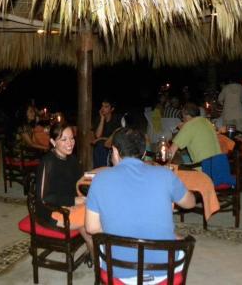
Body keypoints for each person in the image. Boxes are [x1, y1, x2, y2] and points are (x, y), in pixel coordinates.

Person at [85, 128, 195, 284]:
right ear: (144, 153)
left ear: (115, 151)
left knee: (103, 245)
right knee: (180, 241)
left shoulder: (100, 179)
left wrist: (119, 227)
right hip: (164, 273)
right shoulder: (165, 175)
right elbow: (190, 203)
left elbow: (91, 228)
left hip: (117, 272)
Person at [35, 123, 93, 254]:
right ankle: (102, 269)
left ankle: (99, 265)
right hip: (50, 212)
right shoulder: (47, 162)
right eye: (64, 139)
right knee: (93, 224)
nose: (70, 143)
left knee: (94, 224)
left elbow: (78, 183)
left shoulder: (71, 159)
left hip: (68, 206)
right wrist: (72, 201)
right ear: (53, 142)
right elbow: (43, 198)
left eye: (72, 138)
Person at [168, 103, 235, 187]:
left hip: (204, 170)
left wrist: (162, 168)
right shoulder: (207, 121)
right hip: (219, 167)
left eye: (182, 117)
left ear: (185, 115)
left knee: (175, 167)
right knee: (184, 157)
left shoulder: (188, 126)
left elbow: (171, 152)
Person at [92, 99, 121, 168]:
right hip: (101, 146)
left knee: (100, 145)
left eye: (106, 106)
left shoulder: (116, 120)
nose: (102, 109)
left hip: (113, 145)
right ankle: (100, 170)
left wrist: (101, 138)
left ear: (112, 109)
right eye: (102, 106)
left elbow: (115, 137)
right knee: (100, 146)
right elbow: (97, 136)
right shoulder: (98, 119)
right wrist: (102, 118)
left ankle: (103, 170)